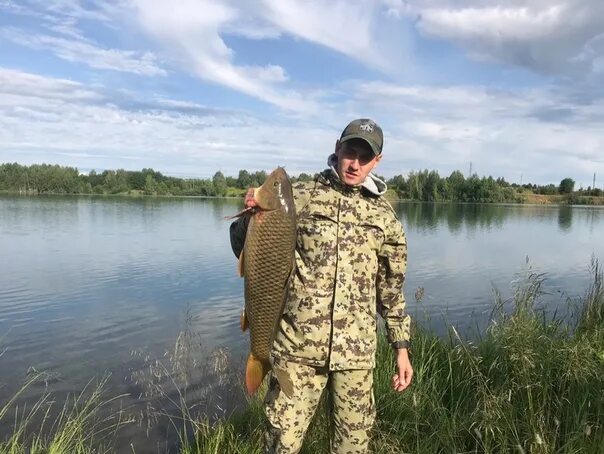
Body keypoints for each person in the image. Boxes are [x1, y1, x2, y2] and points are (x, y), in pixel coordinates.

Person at [230, 118, 412, 453]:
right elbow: (241, 245)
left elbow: (391, 290)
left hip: (356, 356)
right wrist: (249, 215)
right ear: (337, 148)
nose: (354, 163)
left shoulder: (386, 219)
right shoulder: (300, 196)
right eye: (349, 151)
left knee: (352, 448)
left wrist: (401, 347)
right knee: (281, 444)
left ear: (377, 161)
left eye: (364, 156)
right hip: (295, 351)